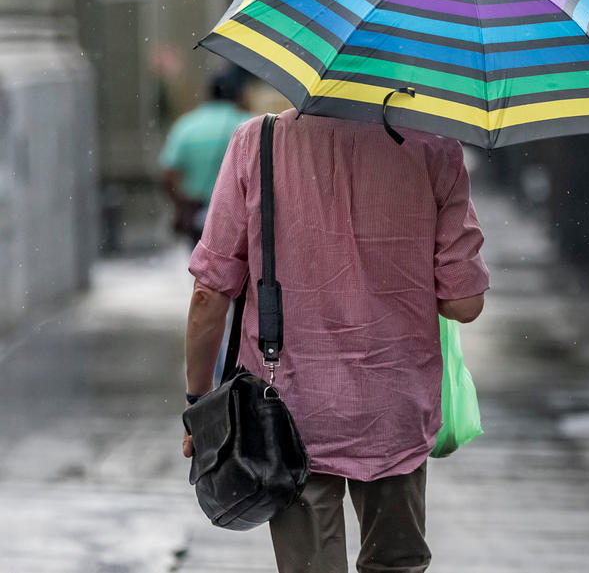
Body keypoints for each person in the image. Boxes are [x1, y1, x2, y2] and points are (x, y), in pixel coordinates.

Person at [181, 109, 489, 573]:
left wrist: (198, 401)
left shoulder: (258, 141)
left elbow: (210, 293)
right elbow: (465, 304)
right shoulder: (435, 149)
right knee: (396, 564)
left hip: (287, 415)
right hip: (395, 409)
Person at [159, 67, 253, 246]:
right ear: (238, 94)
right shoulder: (250, 124)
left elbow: (167, 172)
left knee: (202, 269)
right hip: (239, 217)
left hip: (199, 217)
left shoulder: (186, 126)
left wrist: (182, 204)